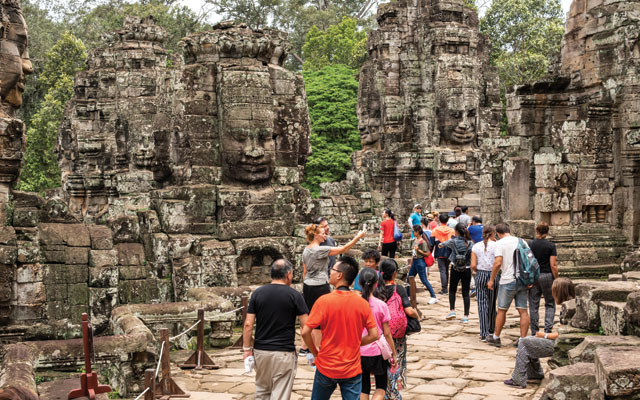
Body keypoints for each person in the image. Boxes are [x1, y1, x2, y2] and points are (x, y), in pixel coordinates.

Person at [302, 256, 379, 400]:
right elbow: (374, 335)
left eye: (332, 269)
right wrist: (355, 342)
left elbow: (306, 331)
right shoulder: (362, 303)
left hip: (326, 365)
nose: (329, 272)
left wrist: (315, 353)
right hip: (352, 367)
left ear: (339, 275)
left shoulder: (324, 301)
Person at [243, 259, 309, 400]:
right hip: (284, 352)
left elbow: (248, 324)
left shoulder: (257, 293)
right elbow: (306, 325)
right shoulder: (295, 295)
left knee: (262, 392)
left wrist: (247, 349)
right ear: (289, 274)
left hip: (261, 351)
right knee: (280, 393)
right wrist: (310, 348)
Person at [300, 223, 366, 356]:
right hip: (319, 285)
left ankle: (304, 347)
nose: (325, 235)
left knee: (308, 317)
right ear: (315, 235)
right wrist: (358, 237)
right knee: (320, 320)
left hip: (308, 285)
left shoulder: (306, 250)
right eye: (322, 233)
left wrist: (305, 283)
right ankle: (317, 350)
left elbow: (304, 271)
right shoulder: (319, 250)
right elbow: (344, 249)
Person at [504, 278, 575, 388]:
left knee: (524, 342)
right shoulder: (570, 306)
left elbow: (562, 335)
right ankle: (535, 373)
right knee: (530, 341)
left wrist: (544, 335)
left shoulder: (569, 310)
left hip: (561, 345)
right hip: (563, 343)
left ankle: (518, 379)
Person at [378, 259, 419, 400]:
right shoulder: (398, 289)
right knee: (396, 361)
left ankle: (383, 392)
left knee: (383, 363)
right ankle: (394, 393)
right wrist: (417, 315)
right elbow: (408, 310)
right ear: (394, 274)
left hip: (380, 335)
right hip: (396, 333)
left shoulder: (376, 289)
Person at [487, 223, 530, 347]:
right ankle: (523, 339)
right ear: (509, 230)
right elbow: (529, 260)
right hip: (522, 279)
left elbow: (498, 263)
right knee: (523, 310)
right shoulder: (521, 241)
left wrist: (491, 279)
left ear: (498, 234)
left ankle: (496, 337)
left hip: (507, 280)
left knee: (501, 310)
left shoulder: (500, 243)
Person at [357, 268, 397, 400]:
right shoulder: (381, 305)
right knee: (380, 387)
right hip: (377, 351)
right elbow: (387, 333)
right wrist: (393, 353)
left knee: (364, 388)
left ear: (360, 283)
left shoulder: (355, 304)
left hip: (358, 351)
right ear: (376, 284)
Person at [528, 222, 558, 336]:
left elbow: (527, 261)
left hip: (534, 275)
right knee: (550, 303)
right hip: (547, 275)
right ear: (547, 232)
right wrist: (556, 278)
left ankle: (534, 331)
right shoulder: (550, 246)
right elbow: (553, 265)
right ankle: (547, 330)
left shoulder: (530, 244)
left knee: (533, 304)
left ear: (536, 231)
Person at [440, 223, 473, 322]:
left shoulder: (453, 241)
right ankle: (466, 316)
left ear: (457, 231)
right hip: (467, 269)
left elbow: (444, 243)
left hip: (455, 268)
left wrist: (440, 244)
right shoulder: (471, 243)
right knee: (465, 293)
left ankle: (452, 310)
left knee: (452, 290)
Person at [471, 225, 498, 341]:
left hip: (480, 274)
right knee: (492, 304)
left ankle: (483, 332)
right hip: (493, 275)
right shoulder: (497, 246)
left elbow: (472, 265)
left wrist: (478, 271)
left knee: (482, 304)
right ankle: (491, 330)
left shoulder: (476, 246)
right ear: (493, 234)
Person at [409, 225, 438, 304]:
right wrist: (411, 262)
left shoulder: (423, 242)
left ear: (417, 232)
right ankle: (408, 295)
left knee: (424, 280)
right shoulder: (415, 240)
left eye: (414, 231)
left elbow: (427, 253)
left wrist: (418, 250)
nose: (413, 232)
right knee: (409, 278)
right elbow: (413, 253)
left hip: (420, 261)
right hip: (415, 261)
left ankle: (433, 296)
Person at [430, 214, 455, 294]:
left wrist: (430, 253)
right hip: (449, 251)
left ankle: (444, 289)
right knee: (447, 269)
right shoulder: (451, 230)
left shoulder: (435, 230)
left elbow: (431, 244)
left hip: (439, 251)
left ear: (439, 220)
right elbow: (454, 242)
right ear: (447, 221)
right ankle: (446, 287)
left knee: (442, 270)